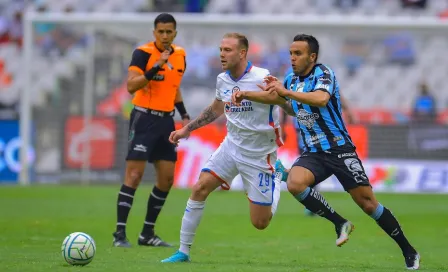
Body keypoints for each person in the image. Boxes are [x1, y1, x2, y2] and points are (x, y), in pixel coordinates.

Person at [265, 34, 420, 270]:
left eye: (298, 54)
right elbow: (293, 108)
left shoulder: (323, 73)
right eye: (291, 53)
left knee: (368, 205)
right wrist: (270, 97)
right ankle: (340, 222)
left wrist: (285, 94)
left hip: (339, 149)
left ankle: (408, 250)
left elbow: (321, 99)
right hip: (314, 152)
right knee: (295, 184)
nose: (293, 58)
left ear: (312, 56)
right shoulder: (290, 79)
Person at [161, 32, 287, 263]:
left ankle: (277, 175)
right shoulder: (223, 79)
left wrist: (250, 94)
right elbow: (216, 109)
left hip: (259, 153)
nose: (221, 54)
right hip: (231, 146)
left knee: (260, 223)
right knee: (199, 188)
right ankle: (183, 251)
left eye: (227, 50)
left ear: (242, 53)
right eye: (220, 49)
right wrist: (187, 129)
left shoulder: (262, 76)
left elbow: (282, 101)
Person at [113, 13, 190, 248]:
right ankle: (119, 234)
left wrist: (184, 114)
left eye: (169, 32)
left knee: (166, 179)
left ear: (175, 33)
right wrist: (154, 67)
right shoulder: (143, 53)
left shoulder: (180, 55)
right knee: (134, 176)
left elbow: (174, 87)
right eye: (161, 31)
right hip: (144, 118)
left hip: (167, 122)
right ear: (154, 32)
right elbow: (130, 86)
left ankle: (147, 234)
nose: (165, 36)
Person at [280, 67, 355, 217]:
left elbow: (335, 94)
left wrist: (348, 110)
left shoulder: (320, 74)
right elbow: (283, 102)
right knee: (307, 158)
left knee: (315, 158)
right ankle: (310, 195)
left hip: (319, 127)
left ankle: (310, 194)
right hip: (301, 127)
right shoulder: (290, 75)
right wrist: (282, 126)